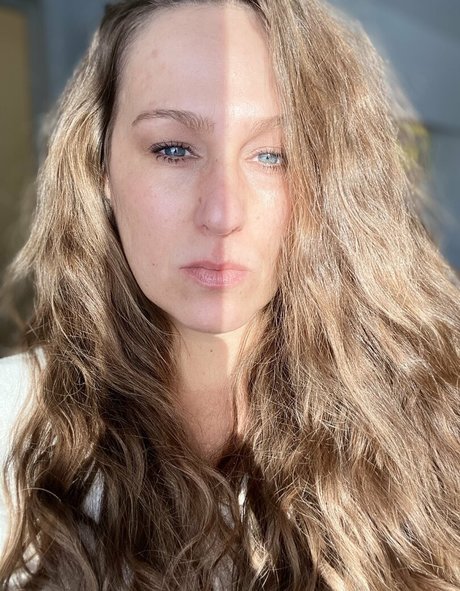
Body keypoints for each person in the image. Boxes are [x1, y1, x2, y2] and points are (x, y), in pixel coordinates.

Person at [1, 0, 459, 588]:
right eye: (173, 149)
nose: (222, 213)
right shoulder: (12, 430)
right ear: (101, 168)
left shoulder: (430, 427)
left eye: (273, 155)